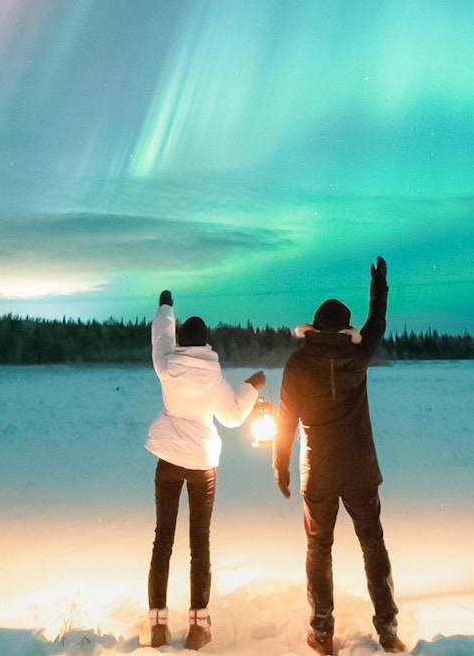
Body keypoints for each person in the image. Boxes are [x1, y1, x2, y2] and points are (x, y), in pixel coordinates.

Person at [272, 257, 405, 655]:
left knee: (318, 548)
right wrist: (379, 287)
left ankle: (323, 631)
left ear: (313, 328)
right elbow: (377, 324)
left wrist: (281, 466)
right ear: (347, 329)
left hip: (320, 473)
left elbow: (285, 420)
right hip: (360, 468)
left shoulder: (297, 363)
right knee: (373, 545)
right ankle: (387, 629)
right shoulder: (357, 356)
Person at [145, 290, 266, 650]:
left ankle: (157, 624)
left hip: (168, 459)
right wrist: (252, 387)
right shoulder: (213, 375)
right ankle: (198, 625)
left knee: (162, 541)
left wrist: (166, 305)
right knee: (200, 542)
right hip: (202, 465)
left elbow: (161, 335)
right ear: (207, 342)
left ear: (183, 342)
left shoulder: (166, 364)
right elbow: (230, 414)